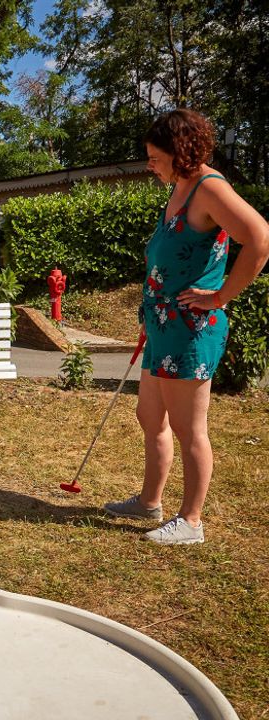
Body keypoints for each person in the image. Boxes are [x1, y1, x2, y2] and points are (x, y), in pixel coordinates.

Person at [103, 109, 269, 544]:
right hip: (162, 325)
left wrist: (218, 297)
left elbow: (260, 238)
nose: (149, 165)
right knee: (150, 416)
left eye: (155, 157)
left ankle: (191, 521)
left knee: (188, 428)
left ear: (182, 153)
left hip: (192, 330)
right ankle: (148, 501)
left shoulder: (209, 189)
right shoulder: (178, 187)